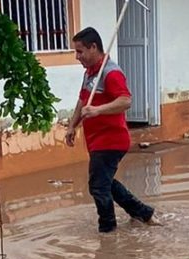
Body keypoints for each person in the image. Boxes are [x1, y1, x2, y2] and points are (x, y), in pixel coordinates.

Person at [66, 27, 157, 234]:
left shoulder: (111, 72)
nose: (77, 56)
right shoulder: (90, 73)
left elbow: (126, 101)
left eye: (80, 51)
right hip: (96, 139)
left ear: (93, 47)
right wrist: (72, 125)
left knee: (98, 186)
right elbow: (82, 100)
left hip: (111, 140)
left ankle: (108, 231)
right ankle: (143, 213)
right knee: (103, 182)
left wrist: (98, 110)